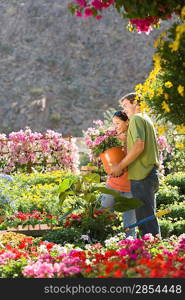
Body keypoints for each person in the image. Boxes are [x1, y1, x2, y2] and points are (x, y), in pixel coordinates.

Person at [110, 93, 161, 237]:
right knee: (148, 219)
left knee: (146, 224)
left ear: (135, 102)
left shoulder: (137, 118)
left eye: (126, 105)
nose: (124, 110)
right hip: (148, 173)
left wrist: (119, 166)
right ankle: (157, 254)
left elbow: (139, 146)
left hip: (142, 175)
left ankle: (154, 256)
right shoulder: (145, 118)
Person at [100, 110, 136, 238]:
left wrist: (125, 142)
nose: (116, 126)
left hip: (130, 187)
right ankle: (101, 244)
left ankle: (132, 250)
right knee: (102, 216)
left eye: (118, 123)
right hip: (112, 185)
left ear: (127, 122)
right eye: (114, 123)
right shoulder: (114, 139)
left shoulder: (134, 138)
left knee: (130, 225)